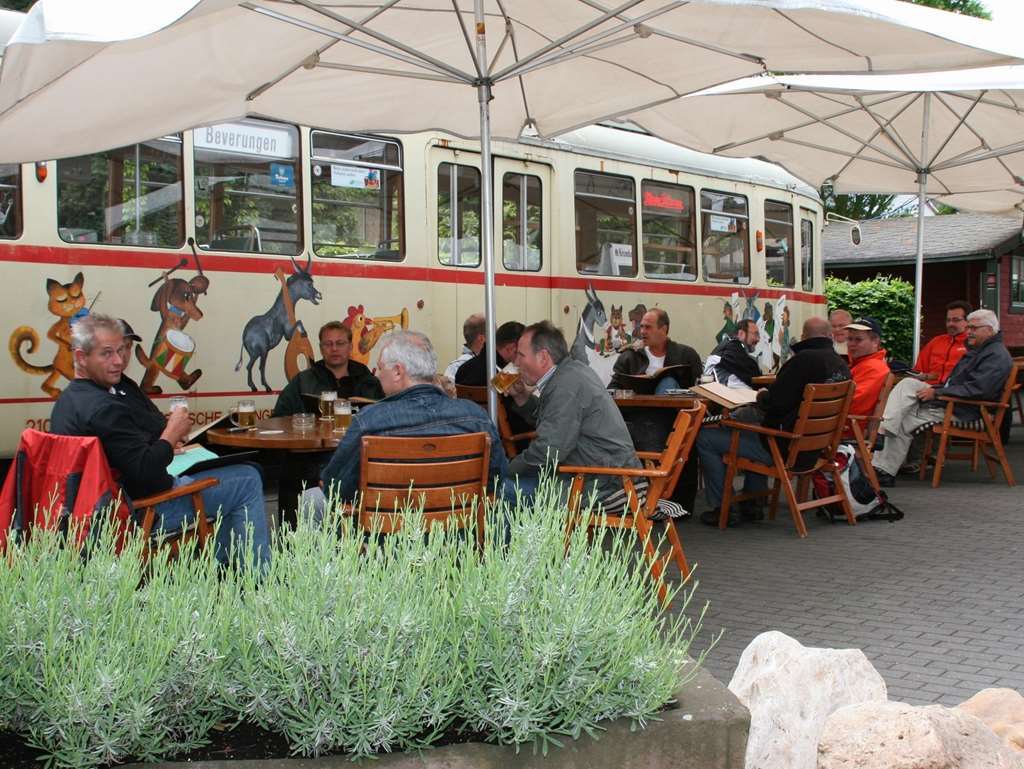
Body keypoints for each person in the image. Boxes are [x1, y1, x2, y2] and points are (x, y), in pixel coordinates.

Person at [49, 314, 270, 570]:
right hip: (138, 511)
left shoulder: (68, 401)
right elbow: (146, 473)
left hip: (87, 511)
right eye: (106, 353)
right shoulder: (103, 408)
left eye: (121, 351)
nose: (119, 361)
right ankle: (256, 578)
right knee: (247, 479)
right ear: (80, 357)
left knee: (238, 474)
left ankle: (224, 567)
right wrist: (170, 434)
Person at [313, 330, 507, 508]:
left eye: (380, 368)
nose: (378, 376)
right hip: (459, 532)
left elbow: (336, 489)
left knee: (310, 500)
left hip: (386, 536)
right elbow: (497, 478)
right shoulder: (477, 417)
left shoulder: (369, 420)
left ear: (398, 371)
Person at [697, 317, 850, 527]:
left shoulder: (801, 362)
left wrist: (761, 396)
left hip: (786, 449)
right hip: (818, 449)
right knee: (750, 424)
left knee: (706, 436)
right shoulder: (841, 365)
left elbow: (775, 403)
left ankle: (725, 507)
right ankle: (753, 500)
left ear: (804, 336)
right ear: (830, 336)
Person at [871, 309, 1012, 488]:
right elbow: (957, 384)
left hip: (970, 411)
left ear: (990, 330)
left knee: (905, 416)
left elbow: (979, 389)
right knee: (908, 384)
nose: (968, 332)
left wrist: (937, 393)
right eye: (968, 327)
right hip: (954, 402)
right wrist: (937, 390)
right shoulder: (980, 350)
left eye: (974, 328)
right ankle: (884, 434)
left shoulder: (996, 355)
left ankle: (883, 466)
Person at [507, 321, 640, 505]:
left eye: (521, 355)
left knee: (506, 487)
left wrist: (507, 467)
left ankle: (520, 535)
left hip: (604, 483)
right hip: (609, 474)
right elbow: (555, 422)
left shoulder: (565, 385)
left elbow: (549, 451)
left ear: (543, 357)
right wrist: (523, 397)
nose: (516, 362)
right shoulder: (572, 372)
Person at [272, 321, 384, 416]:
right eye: (328, 344)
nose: (334, 349)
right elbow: (279, 419)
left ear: (350, 347)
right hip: (315, 441)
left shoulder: (369, 381)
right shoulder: (303, 382)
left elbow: (384, 419)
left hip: (359, 441)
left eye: (340, 343)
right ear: (321, 349)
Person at [610, 309, 701, 392]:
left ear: (663, 329)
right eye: (641, 326)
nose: (642, 331)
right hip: (636, 408)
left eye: (648, 327)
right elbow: (612, 389)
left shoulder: (687, 356)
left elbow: (701, 390)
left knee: (668, 382)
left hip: (673, 409)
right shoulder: (629, 356)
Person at [914, 300, 971, 384]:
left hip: (955, 389)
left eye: (956, 320)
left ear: (968, 321)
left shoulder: (973, 343)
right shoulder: (936, 341)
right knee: (907, 383)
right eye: (948, 320)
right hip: (927, 388)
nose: (950, 324)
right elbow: (918, 371)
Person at [454, 321, 525, 386]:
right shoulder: (501, 378)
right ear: (511, 348)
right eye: (522, 353)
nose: (522, 359)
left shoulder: (463, 368)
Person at [845, 317, 890, 419]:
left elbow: (854, 404)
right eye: (850, 339)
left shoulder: (874, 368)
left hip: (846, 427)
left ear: (875, 342)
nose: (851, 344)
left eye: (858, 340)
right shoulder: (861, 364)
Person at [704, 319, 761, 388]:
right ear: (741, 334)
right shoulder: (731, 348)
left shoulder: (732, 348)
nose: (758, 339)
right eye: (755, 334)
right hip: (722, 396)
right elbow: (753, 371)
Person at [443, 312, 486, 381]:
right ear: (481, 339)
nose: (497, 339)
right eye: (495, 335)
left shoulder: (453, 369)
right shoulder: (456, 368)